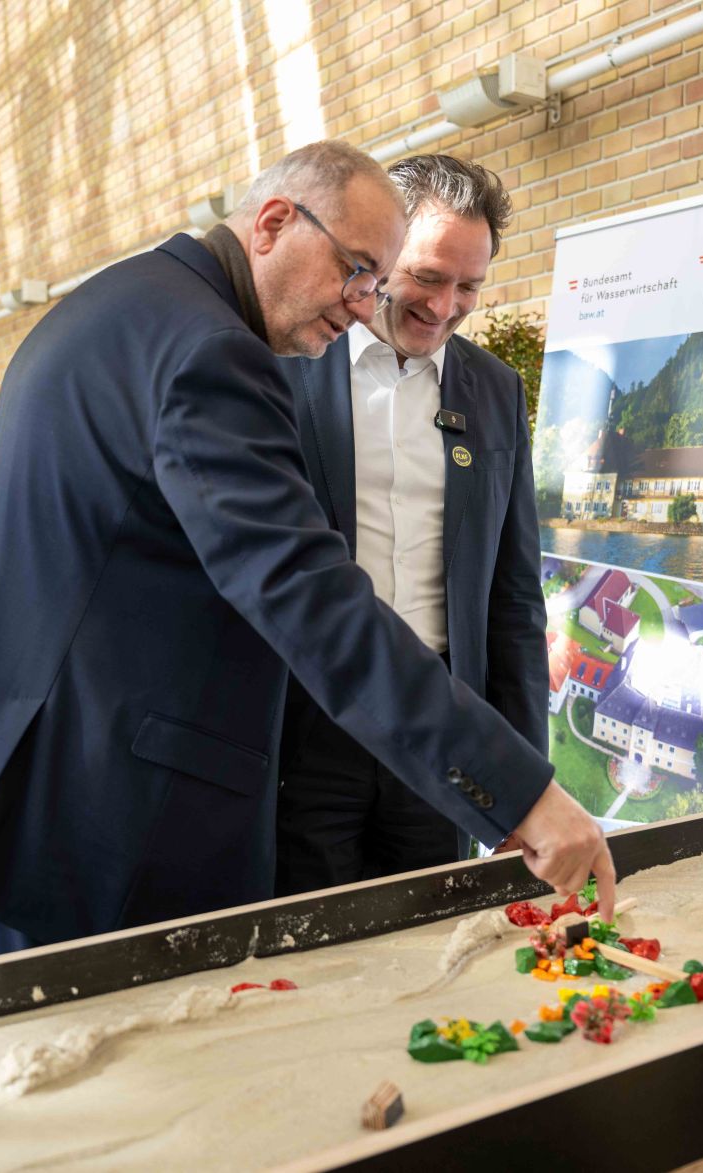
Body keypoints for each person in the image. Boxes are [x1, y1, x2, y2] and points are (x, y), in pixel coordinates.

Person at [0, 140, 614, 961]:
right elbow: (309, 596)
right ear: (275, 221)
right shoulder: (215, 352)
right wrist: (523, 791)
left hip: (30, 788)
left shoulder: (120, 303)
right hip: (100, 818)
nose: (359, 305)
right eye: (357, 272)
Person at [272, 155, 546, 893]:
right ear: (383, 254)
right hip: (302, 733)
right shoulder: (286, 366)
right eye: (427, 276)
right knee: (306, 951)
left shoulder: (494, 392)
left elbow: (514, 599)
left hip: (441, 738)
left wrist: (524, 780)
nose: (447, 305)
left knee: (429, 943)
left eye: (470, 286)